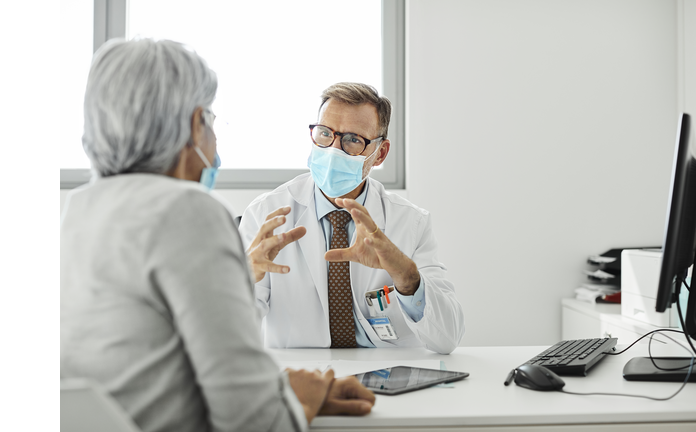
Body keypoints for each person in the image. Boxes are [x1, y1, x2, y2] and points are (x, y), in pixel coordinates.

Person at [60, 39, 375, 432]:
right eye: (209, 118)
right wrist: (297, 398)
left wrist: (276, 385)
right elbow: (254, 421)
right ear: (195, 125)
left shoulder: (79, 208)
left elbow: (145, 371)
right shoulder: (189, 211)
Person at [239, 82, 465, 354]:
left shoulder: (410, 223)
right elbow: (228, 336)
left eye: (353, 140)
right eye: (324, 134)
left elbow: (447, 338)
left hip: (388, 377)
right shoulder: (265, 214)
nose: (333, 150)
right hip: (302, 377)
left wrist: (407, 278)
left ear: (379, 153)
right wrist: (243, 280)